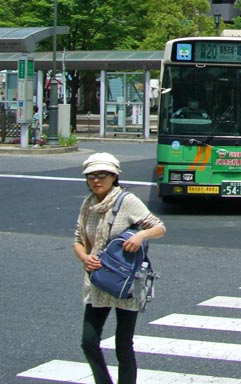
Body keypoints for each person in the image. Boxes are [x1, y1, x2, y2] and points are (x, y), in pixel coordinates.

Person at [73, 153, 166, 384]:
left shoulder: (127, 201)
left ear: (114, 176)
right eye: (91, 176)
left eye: (102, 175)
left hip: (126, 280)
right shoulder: (88, 204)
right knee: (88, 341)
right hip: (98, 279)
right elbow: (78, 239)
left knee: (123, 345)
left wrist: (140, 236)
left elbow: (159, 227)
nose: (96, 180)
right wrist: (85, 257)